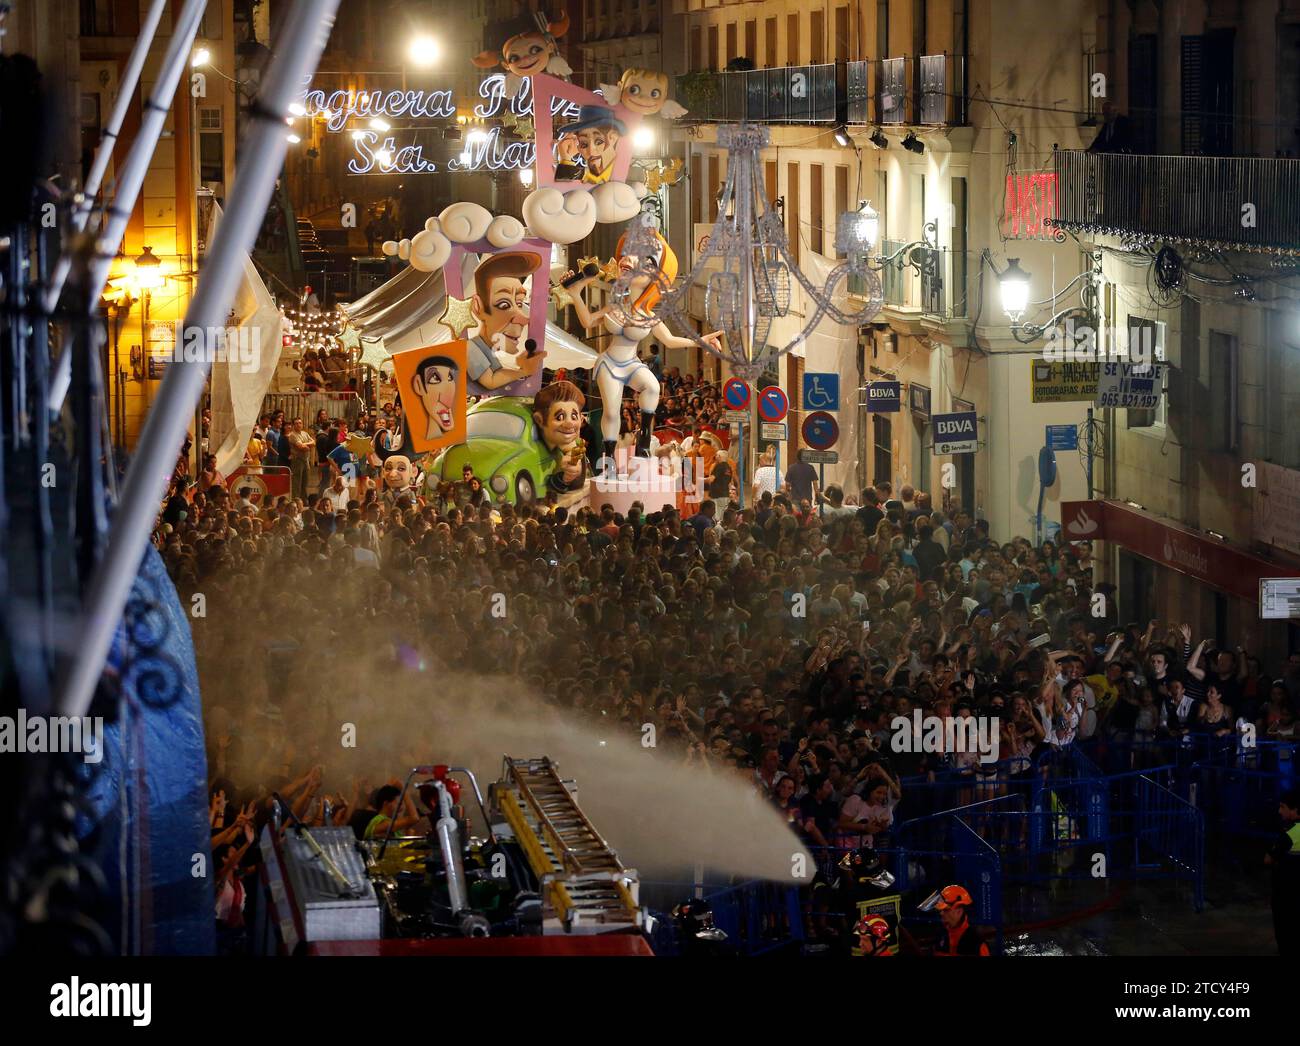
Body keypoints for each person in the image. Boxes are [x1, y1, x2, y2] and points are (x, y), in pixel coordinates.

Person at [566, 229, 721, 460]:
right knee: (611, 411)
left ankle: (644, 443)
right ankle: (608, 458)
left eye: (646, 259)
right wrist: (576, 294)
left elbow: (669, 340)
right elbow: (588, 321)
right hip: (609, 364)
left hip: (631, 363)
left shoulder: (648, 314)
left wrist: (701, 341)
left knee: (653, 387)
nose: (629, 259)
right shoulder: (616, 306)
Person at [465, 252, 546, 395]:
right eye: (504, 304)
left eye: (519, 303)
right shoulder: (470, 348)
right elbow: (490, 381)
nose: (523, 319)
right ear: (478, 307)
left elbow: (498, 373)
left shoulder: (489, 350)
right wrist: (524, 371)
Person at [1267, 789, 1300, 956]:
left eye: (1283, 807)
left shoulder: (1289, 835)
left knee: (1285, 929)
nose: (1279, 811)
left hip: (1286, 891)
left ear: (1295, 810)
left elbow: (1268, 859)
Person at [921, 884, 989, 956]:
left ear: (959, 911)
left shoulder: (975, 943)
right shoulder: (941, 936)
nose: (941, 913)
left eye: (946, 910)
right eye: (940, 910)